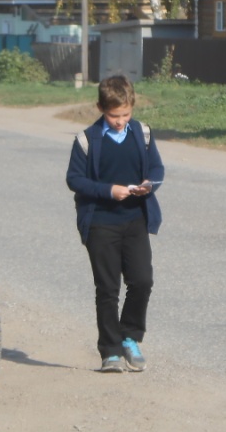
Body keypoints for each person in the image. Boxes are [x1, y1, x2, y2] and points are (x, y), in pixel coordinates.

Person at [66, 75, 165, 373]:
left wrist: (149, 185)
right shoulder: (86, 140)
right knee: (108, 288)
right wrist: (110, 190)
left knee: (142, 281)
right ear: (100, 108)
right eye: (113, 115)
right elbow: (75, 179)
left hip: (135, 218)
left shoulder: (143, 133)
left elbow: (157, 168)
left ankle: (129, 337)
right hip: (100, 222)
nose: (120, 121)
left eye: (125, 114)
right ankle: (109, 351)